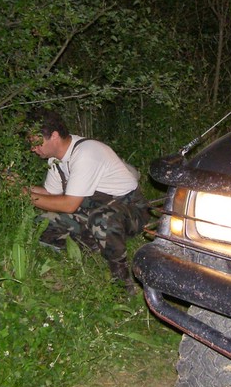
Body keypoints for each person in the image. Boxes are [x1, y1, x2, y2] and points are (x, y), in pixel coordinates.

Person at [24, 108, 149, 295]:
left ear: (54, 136)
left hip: (131, 210)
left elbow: (69, 205)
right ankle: (95, 244)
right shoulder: (56, 160)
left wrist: (26, 196)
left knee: (102, 220)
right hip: (94, 209)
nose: (33, 149)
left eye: (36, 143)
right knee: (41, 223)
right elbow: (51, 194)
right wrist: (22, 187)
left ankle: (122, 284)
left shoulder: (86, 153)